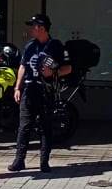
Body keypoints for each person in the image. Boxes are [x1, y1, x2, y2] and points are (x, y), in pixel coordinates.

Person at [8, 14, 71, 174]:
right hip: (29, 89)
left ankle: (44, 162)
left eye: (33, 26)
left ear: (41, 28)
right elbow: (23, 66)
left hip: (46, 90)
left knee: (45, 126)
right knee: (24, 126)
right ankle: (19, 160)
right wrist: (17, 87)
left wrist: (54, 72)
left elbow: (68, 68)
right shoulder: (30, 45)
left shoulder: (56, 46)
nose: (31, 29)